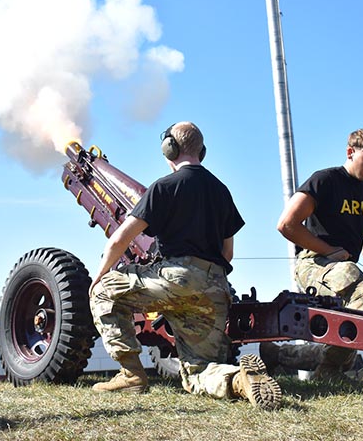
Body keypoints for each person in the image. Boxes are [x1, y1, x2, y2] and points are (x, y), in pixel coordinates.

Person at [89, 121, 282, 410]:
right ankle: (239, 380)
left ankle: (131, 375)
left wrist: (100, 277)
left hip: (174, 279)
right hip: (216, 288)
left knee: (104, 292)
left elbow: (119, 241)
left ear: (169, 149)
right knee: (199, 370)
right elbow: (227, 254)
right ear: (201, 151)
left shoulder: (164, 187)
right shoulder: (222, 191)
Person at [260, 128, 363, 382]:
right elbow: (286, 224)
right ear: (350, 152)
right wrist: (329, 251)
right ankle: (329, 370)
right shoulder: (324, 181)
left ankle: (281, 356)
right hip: (313, 264)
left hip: (344, 269)